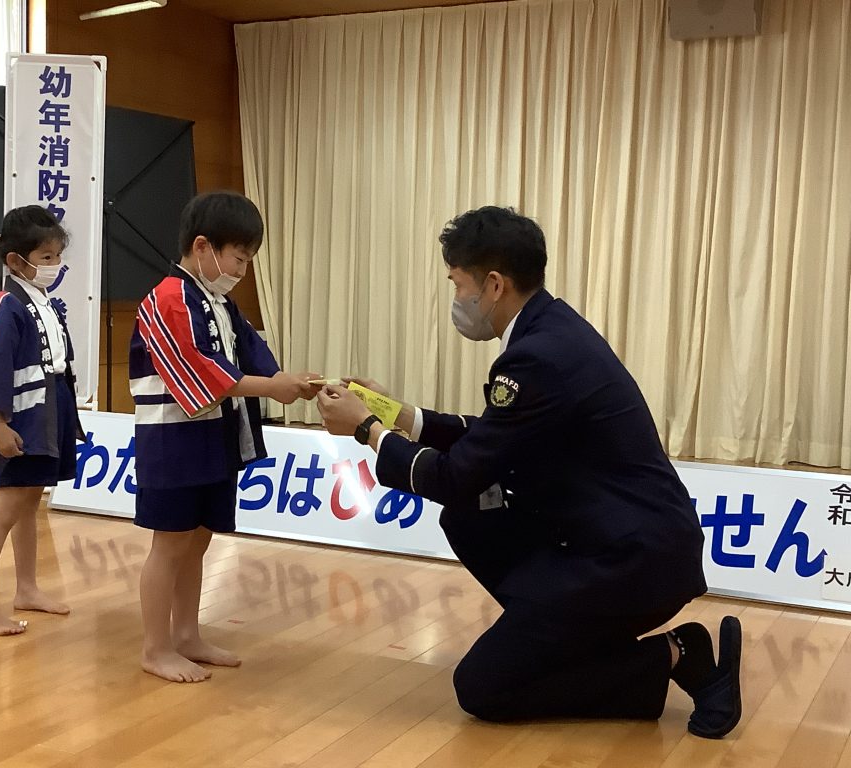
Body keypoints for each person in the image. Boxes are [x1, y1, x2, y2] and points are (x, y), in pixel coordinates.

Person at [316, 206, 742, 739]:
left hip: (631, 561)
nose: (456, 299)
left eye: (457, 284)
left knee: (483, 688)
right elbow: (494, 439)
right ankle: (551, 631)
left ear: (494, 284)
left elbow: (454, 478)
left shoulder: (536, 356)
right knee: (468, 519)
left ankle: (678, 655)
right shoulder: (552, 329)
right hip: (620, 541)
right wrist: (395, 413)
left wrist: (367, 429)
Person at [130, 191, 321, 683]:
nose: (242, 269)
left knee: (197, 539)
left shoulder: (219, 302)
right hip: (173, 443)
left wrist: (295, 382)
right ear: (203, 246)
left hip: (213, 438)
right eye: (239, 257)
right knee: (169, 544)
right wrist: (273, 386)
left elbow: (255, 356)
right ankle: (155, 647)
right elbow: (198, 371)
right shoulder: (167, 299)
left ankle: (186, 634)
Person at [0, 205, 83, 636]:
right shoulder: (6, 306)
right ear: (15, 260)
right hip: (18, 420)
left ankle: (26, 587)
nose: (55, 264)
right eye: (46, 257)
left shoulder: (40, 301)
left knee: (30, 504)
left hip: (46, 412)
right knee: (7, 509)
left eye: (57, 256)